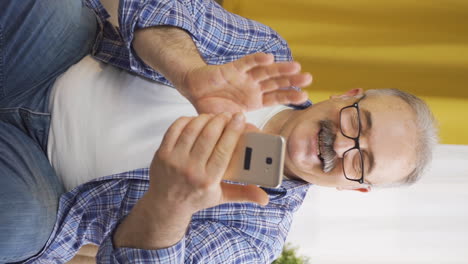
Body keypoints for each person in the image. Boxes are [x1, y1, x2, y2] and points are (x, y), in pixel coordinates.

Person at [0, 0, 437, 263]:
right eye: (358, 122)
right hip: (57, 59)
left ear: (354, 188)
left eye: (362, 162)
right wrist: (191, 73)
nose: (342, 145)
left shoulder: (255, 238)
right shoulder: (267, 55)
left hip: (42, 183)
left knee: (17, 224)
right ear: (348, 95)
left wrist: (171, 204)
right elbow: (160, 5)